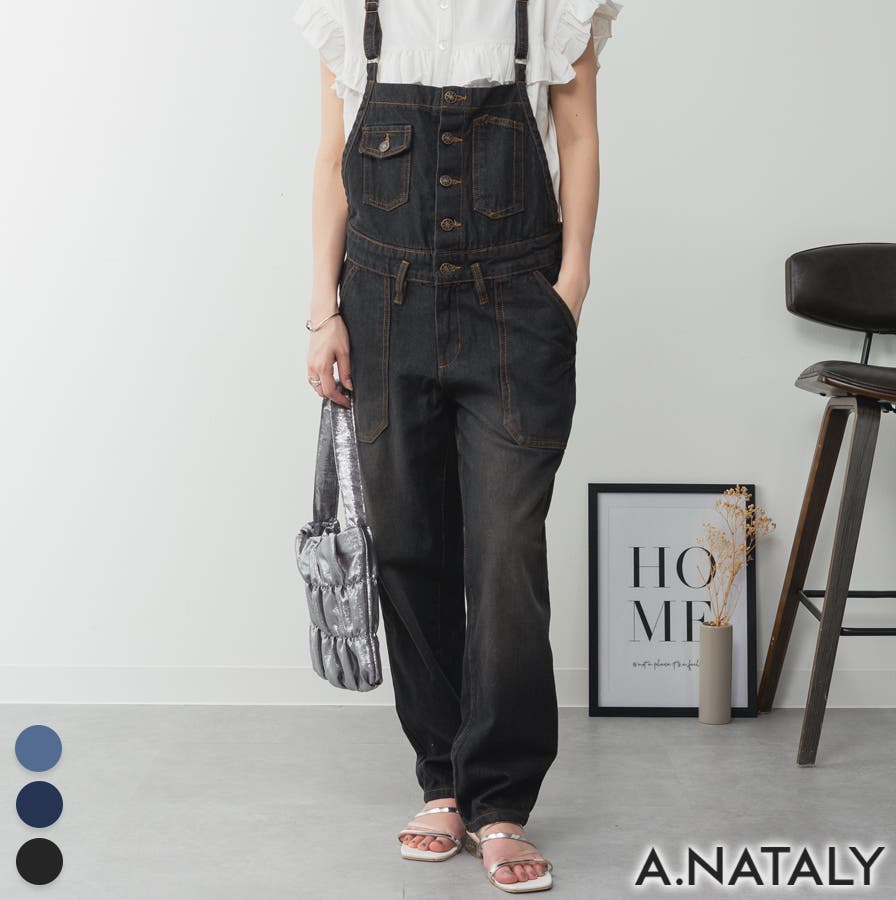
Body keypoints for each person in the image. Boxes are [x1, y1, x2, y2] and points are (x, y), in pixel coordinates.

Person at [296, 0, 621, 891]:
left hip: (515, 306)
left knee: (507, 552)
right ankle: (442, 782)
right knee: (409, 548)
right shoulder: (353, 10)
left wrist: (570, 289)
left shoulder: (548, 8)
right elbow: (331, 159)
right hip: (381, 307)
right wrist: (324, 311)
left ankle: (502, 801)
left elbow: (579, 138)